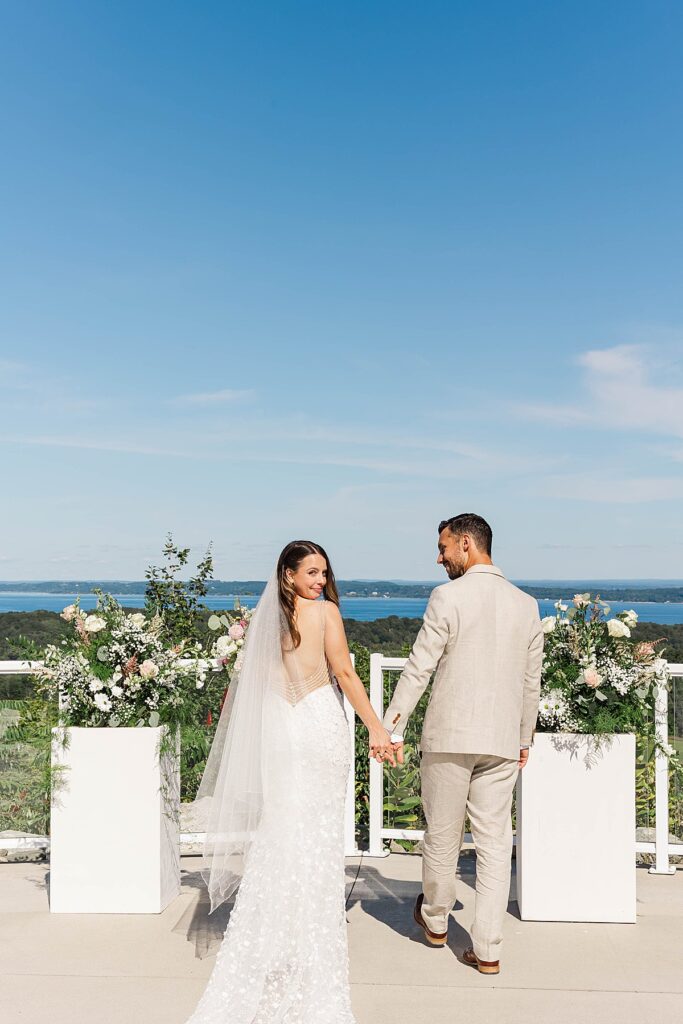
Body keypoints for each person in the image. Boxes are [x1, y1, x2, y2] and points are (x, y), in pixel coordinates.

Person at [187, 540, 395, 1024]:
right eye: (313, 572)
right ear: (288, 575)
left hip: (280, 726)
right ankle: (304, 938)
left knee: (281, 829)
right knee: (315, 835)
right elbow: (344, 672)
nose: (321, 581)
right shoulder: (326, 614)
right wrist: (377, 727)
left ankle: (277, 936)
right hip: (318, 725)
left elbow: (255, 685)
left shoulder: (265, 622)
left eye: (324, 573)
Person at [383, 513, 543, 974]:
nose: (439, 557)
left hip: (449, 736)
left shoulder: (447, 597)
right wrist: (524, 737)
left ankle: (435, 922)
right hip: (501, 739)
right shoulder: (526, 604)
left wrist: (392, 726)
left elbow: (419, 667)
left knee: (442, 834)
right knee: (495, 844)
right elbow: (530, 682)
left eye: (444, 547)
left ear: (467, 544)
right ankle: (488, 949)